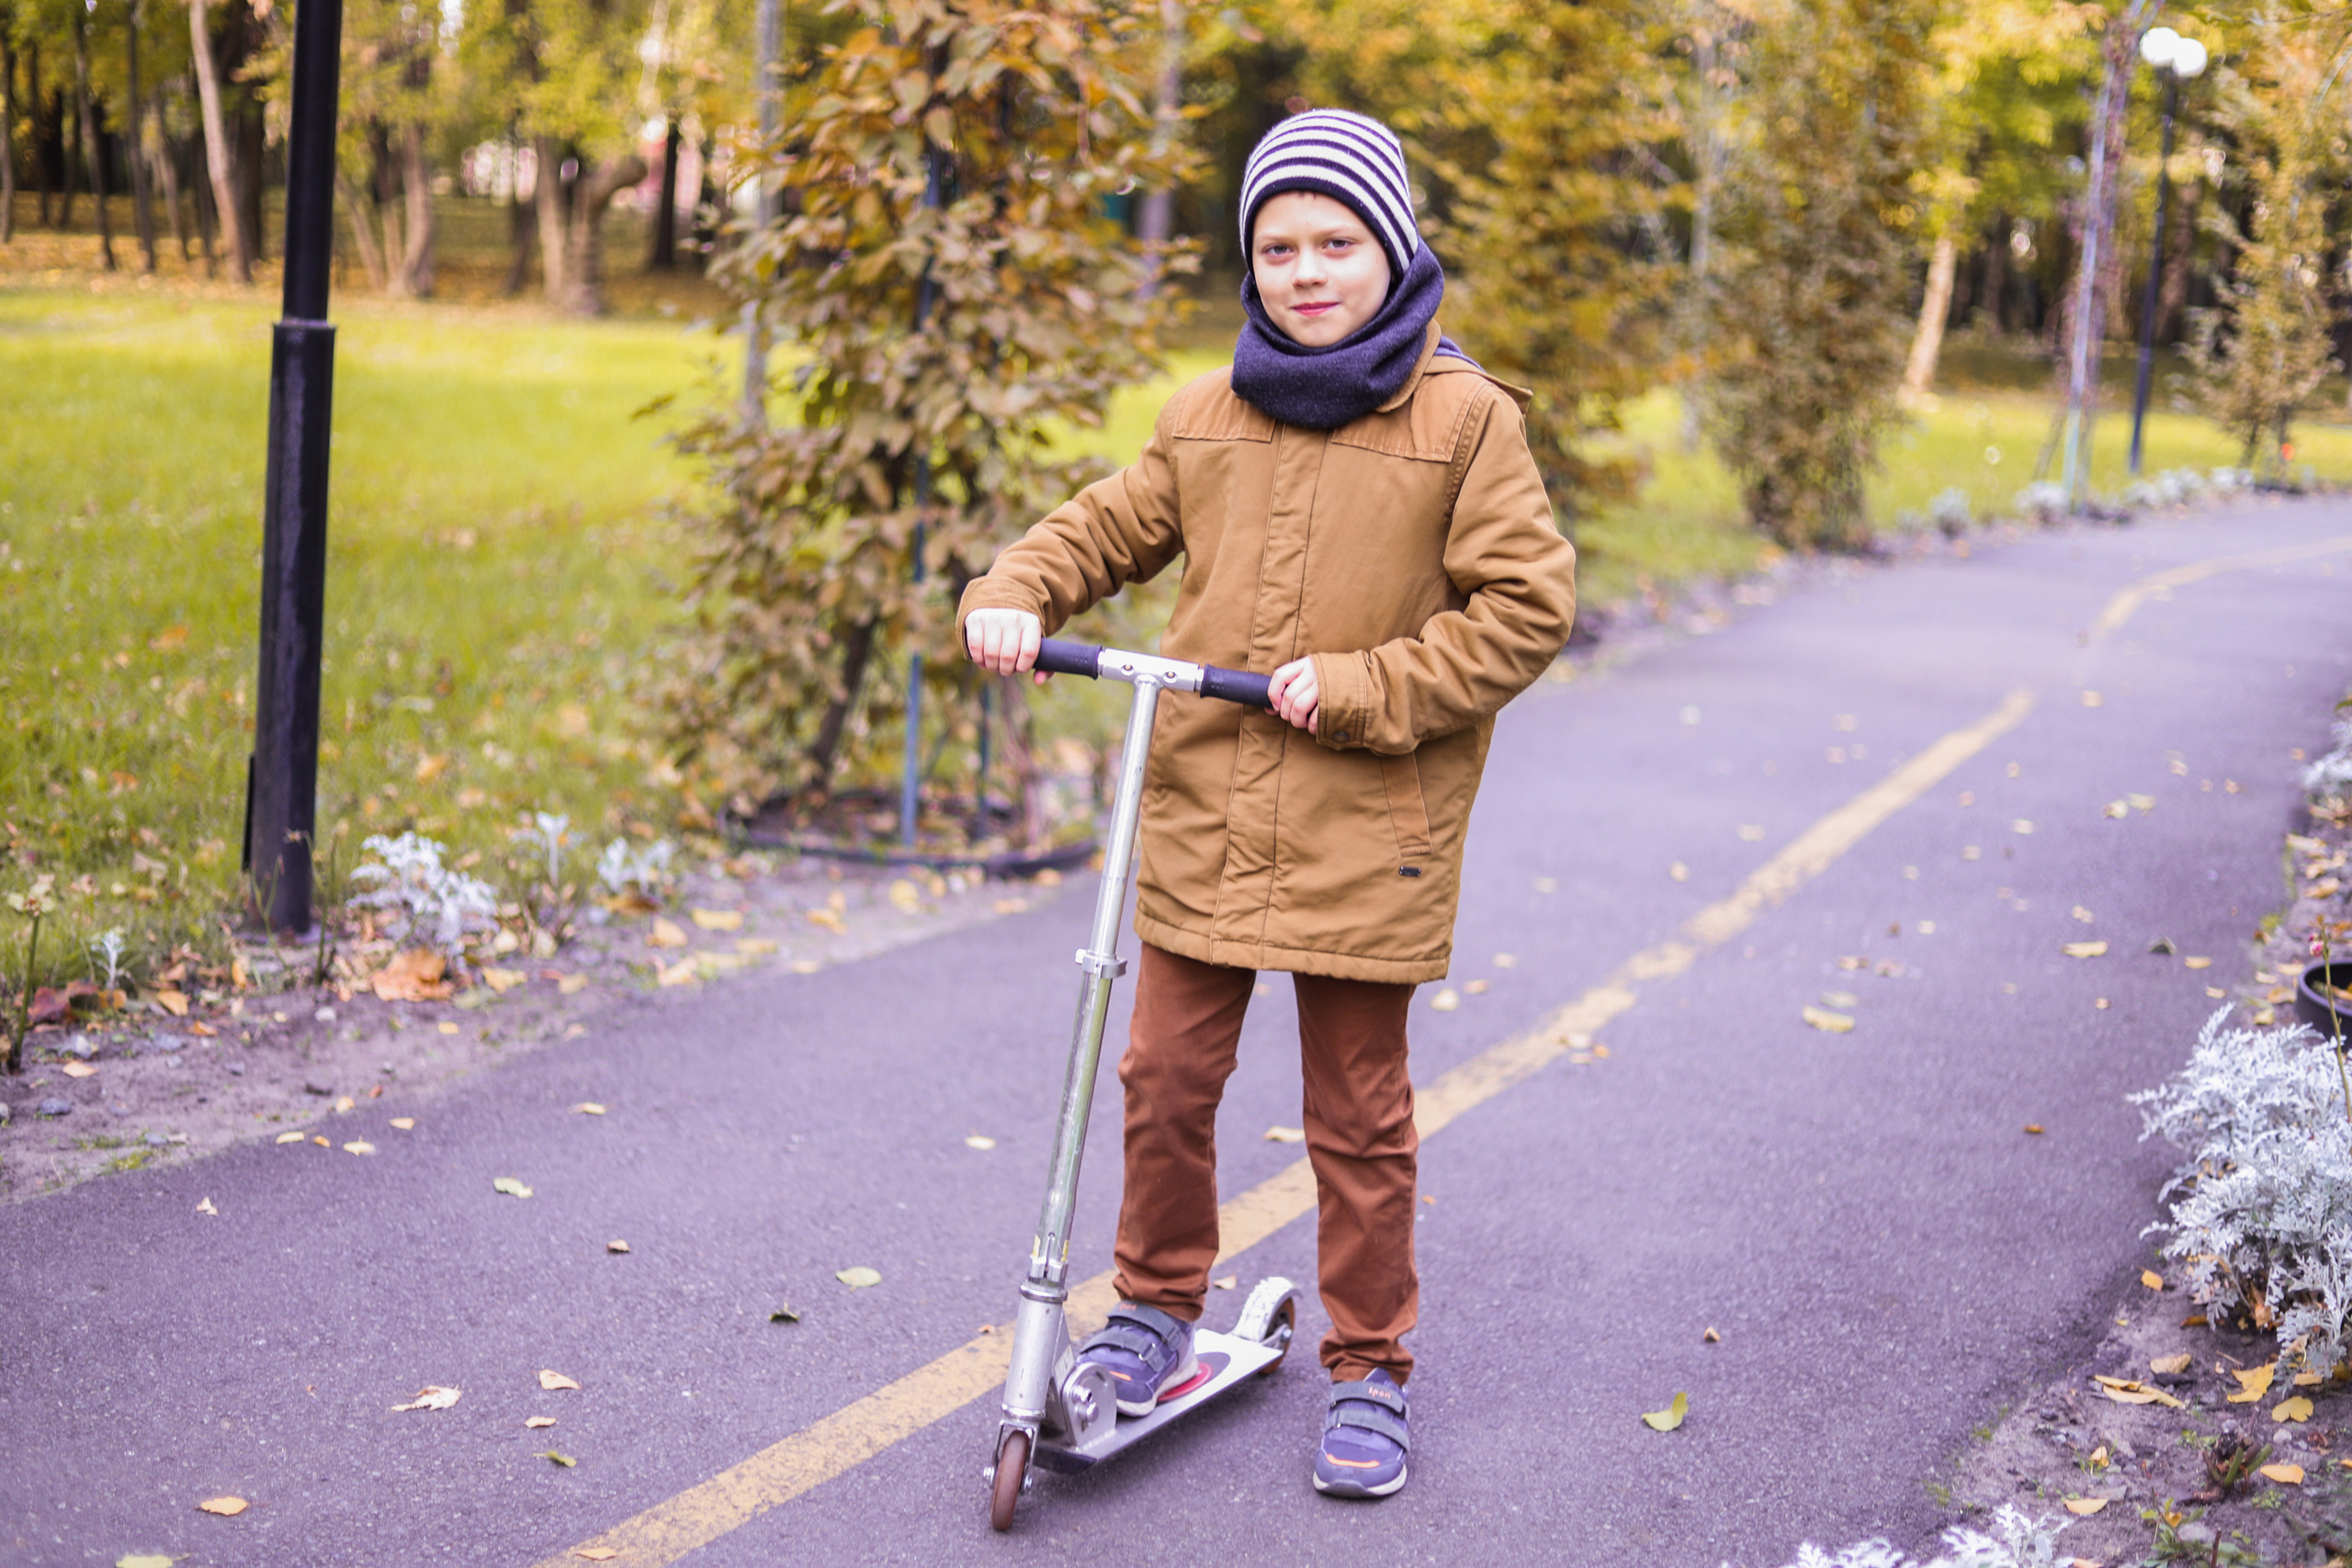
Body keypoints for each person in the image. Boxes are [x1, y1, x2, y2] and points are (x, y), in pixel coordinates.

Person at [959, 107, 1577, 1499]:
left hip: (1371, 828)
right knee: (1164, 1079)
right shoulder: (1207, 413)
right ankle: (1154, 1308)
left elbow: (1527, 611)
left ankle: (1370, 1367)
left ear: (1395, 245)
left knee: (1357, 1114)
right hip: (1203, 813)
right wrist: (1014, 594)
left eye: (1337, 243)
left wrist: (1363, 684)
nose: (1307, 271)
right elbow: (1103, 528)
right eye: (1279, 246)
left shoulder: (1465, 421)